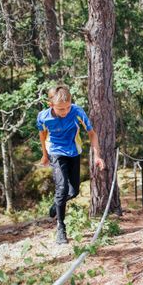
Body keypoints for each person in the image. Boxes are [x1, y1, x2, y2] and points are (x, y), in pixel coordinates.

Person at [37, 84, 104, 244]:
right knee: (62, 188)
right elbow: (42, 135)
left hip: (74, 151)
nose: (65, 112)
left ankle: (56, 204)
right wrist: (45, 155)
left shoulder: (77, 111)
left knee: (73, 191)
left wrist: (97, 156)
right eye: (61, 109)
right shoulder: (43, 116)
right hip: (55, 151)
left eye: (67, 107)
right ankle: (61, 228)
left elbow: (92, 134)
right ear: (50, 104)